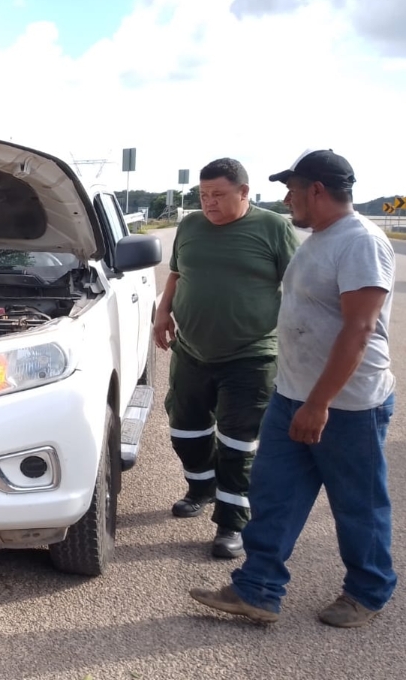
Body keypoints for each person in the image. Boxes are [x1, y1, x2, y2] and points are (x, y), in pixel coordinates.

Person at [190, 149, 396, 628]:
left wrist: (320, 404)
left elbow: (358, 331)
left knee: (357, 504)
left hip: (347, 405)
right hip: (293, 395)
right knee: (274, 494)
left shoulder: (361, 241)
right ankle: (257, 589)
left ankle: (366, 592)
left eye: (293, 189)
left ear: (317, 191)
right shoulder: (317, 237)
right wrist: (299, 397)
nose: (286, 198)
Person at [154, 158, 298, 559]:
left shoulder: (274, 227)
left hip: (250, 355)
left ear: (244, 192)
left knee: (237, 443)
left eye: (218, 195)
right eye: (203, 195)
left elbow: (299, 286)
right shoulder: (191, 225)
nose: (209, 203)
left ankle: (231, 523)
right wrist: (163, 311)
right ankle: (201, 488)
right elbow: (178, 273)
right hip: (192, 351)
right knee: (186, 430)